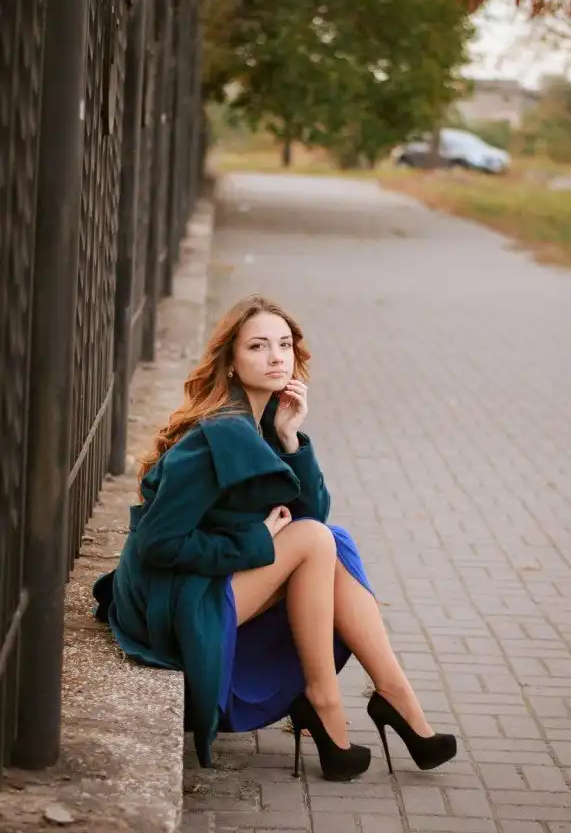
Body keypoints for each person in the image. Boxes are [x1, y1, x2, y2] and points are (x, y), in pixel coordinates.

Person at [93, 295, 457, 782]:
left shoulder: (263, 424)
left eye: (284, 345)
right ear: (230, 361)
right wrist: (255, 540)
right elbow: (157, 544)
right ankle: (327, 703)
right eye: (258, 346)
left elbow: (311, 517)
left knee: (333, 540)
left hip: (205, 581)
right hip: (166, 602)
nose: (276, 357)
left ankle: (393, 696)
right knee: (316, 541)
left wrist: (290, 440)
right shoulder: (215, 437)